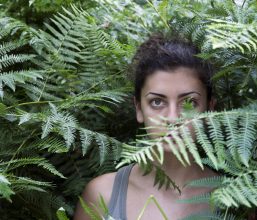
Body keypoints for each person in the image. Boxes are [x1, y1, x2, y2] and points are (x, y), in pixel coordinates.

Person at [74, 34, 217, 220]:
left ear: (209, 110)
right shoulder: (102, 195)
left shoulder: (238, 198)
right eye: (157, 102)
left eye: (189, 102)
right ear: (139, 109)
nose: (172, 118)